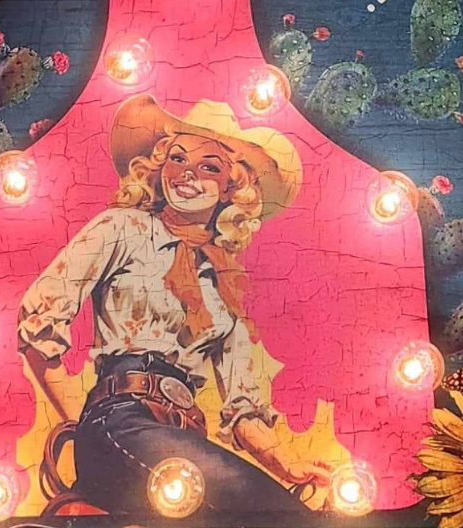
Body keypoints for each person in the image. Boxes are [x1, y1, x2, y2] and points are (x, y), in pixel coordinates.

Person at [17, 93, 334, 524]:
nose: (187, 174)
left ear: (231, 188)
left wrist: (285, 465)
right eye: (178, 159)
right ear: (159, 165)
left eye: (209, 167)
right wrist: (82, 423)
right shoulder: (123, 227)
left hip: (184, 436)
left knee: (277, 510)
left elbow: (244, 410)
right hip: (120, 420)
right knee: (275, 513)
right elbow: (37, 323)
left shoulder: (222, 283)